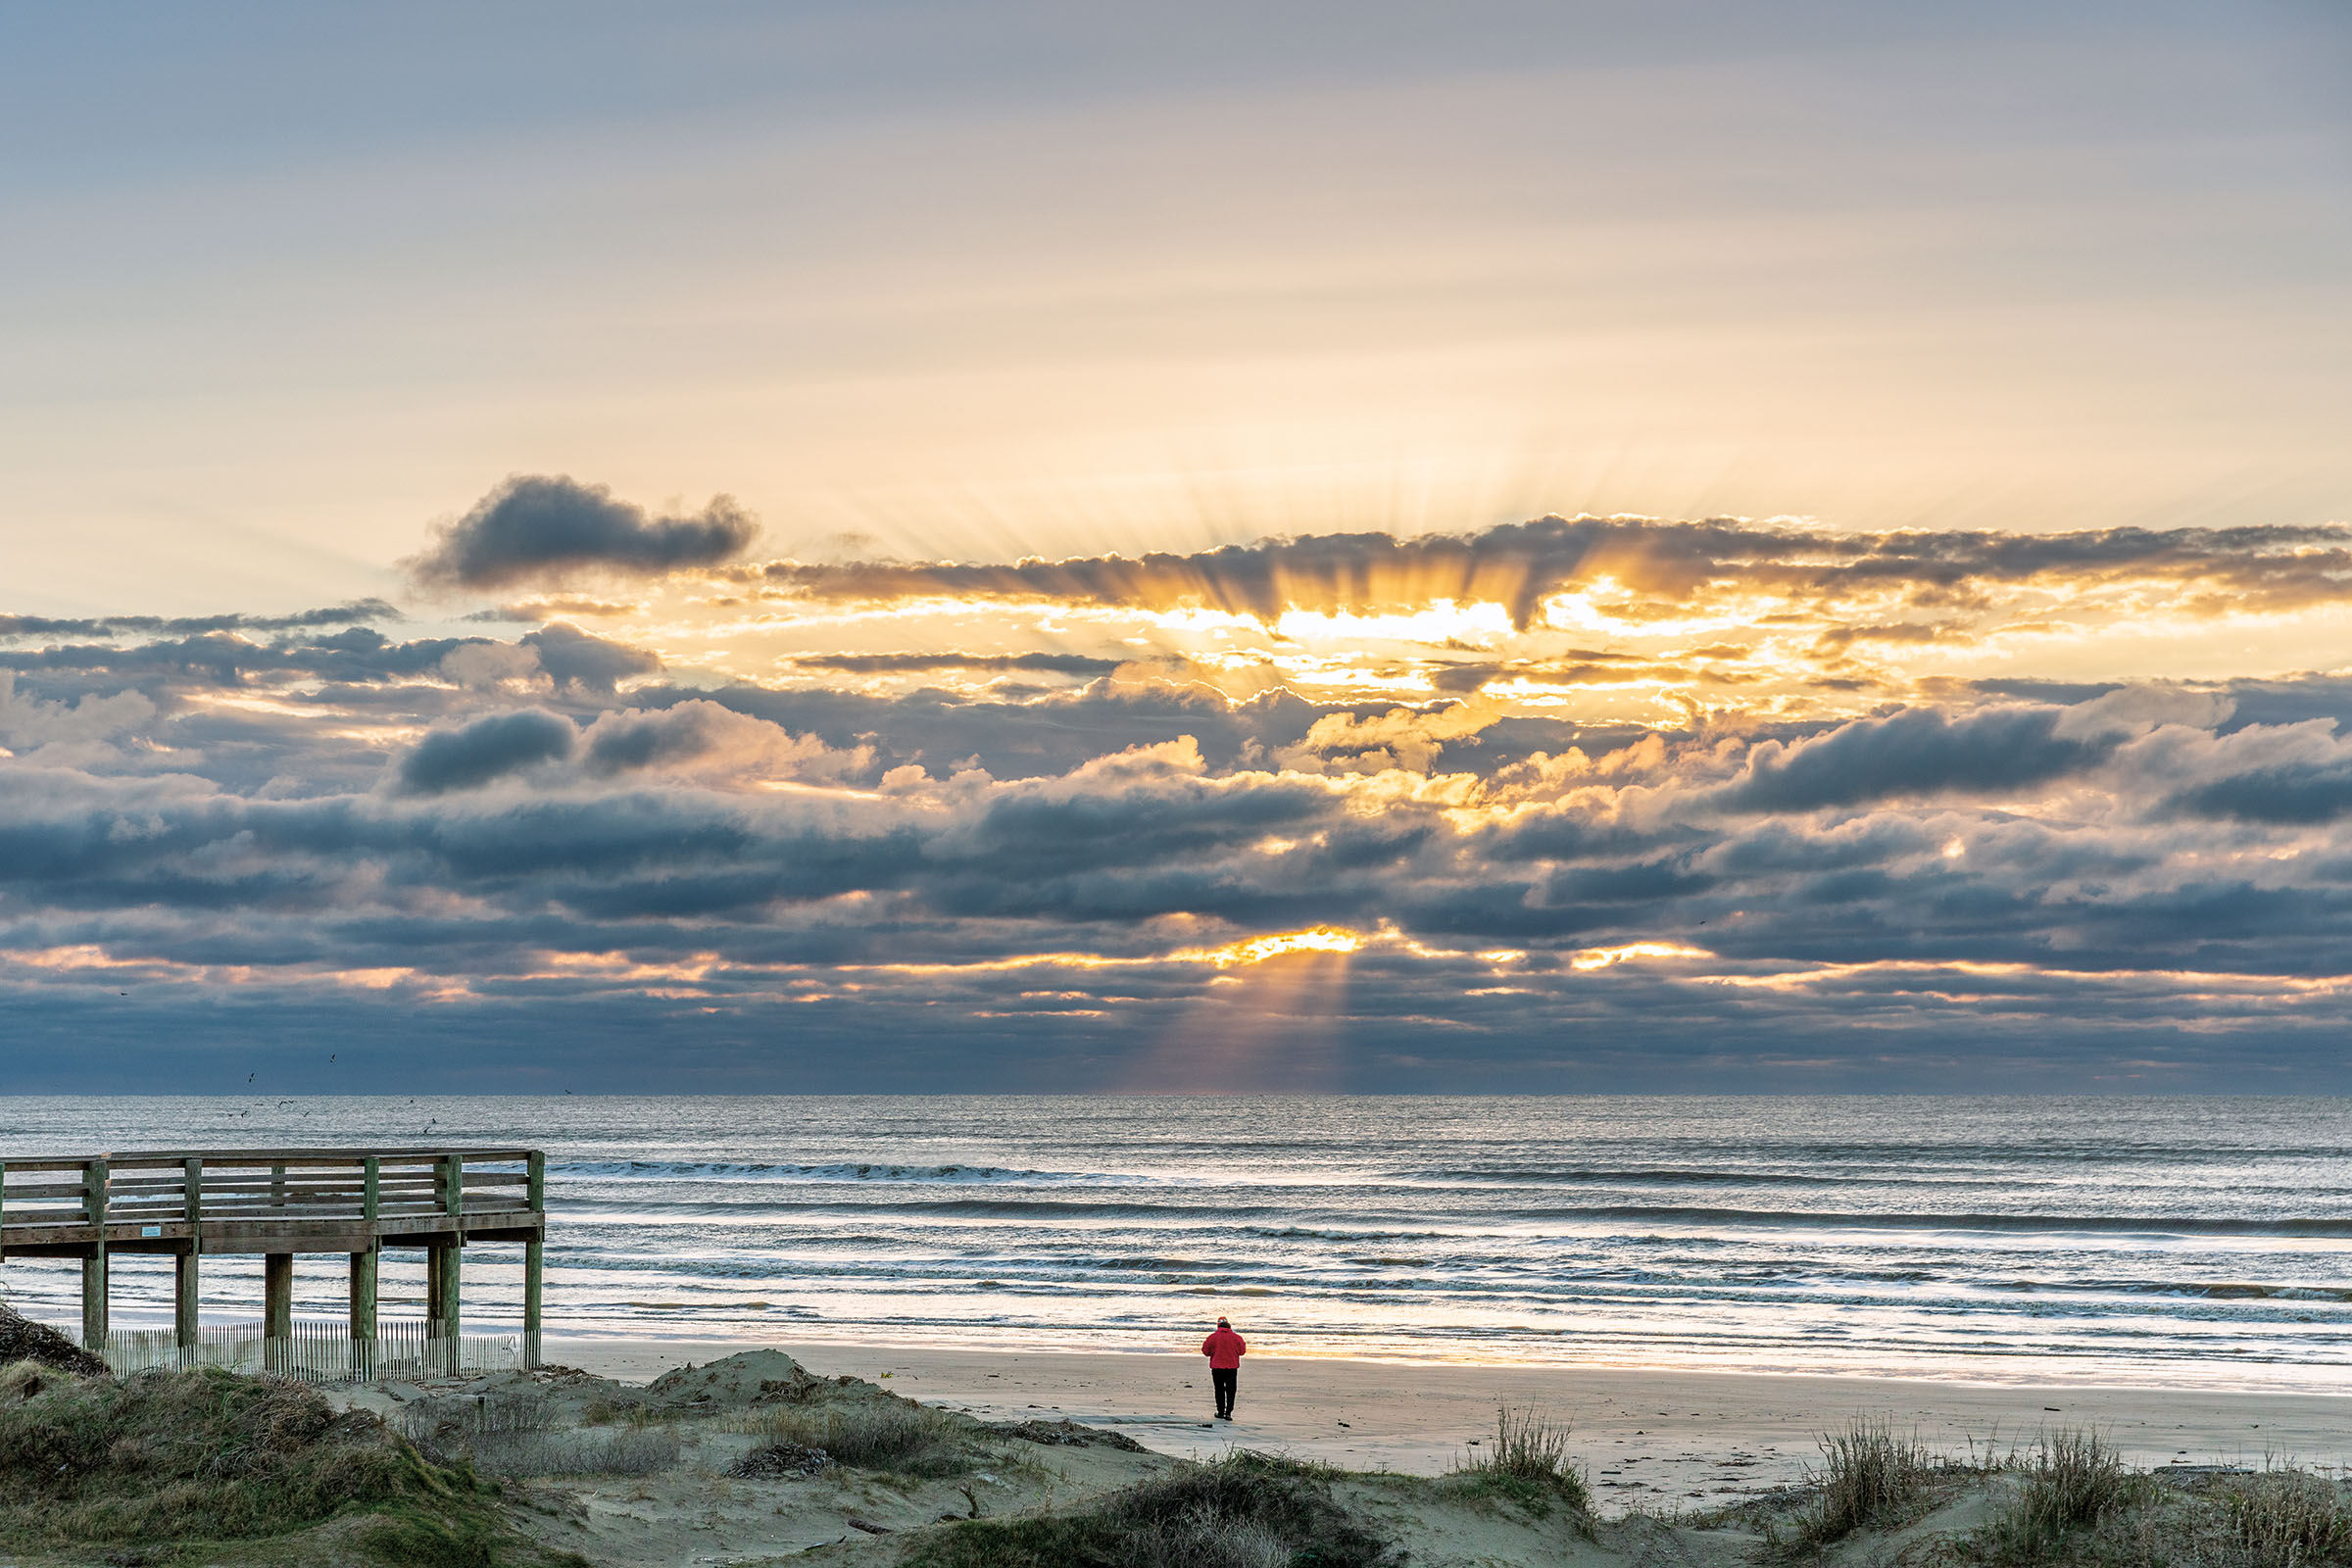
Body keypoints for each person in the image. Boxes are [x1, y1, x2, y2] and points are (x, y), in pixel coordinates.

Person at [1200, 1315, 1247, 1420]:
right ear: (1229, 1326)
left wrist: (1214, 1352)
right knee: (1231, 1390)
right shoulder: (1237, 1338)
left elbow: (1205, 1351)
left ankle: (1221, 1411)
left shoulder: (1212, 1337)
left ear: (1218, 1325)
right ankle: (1228, 1412)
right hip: (1232, 1367)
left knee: (1219, 1389)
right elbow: (1242, 1352)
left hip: (1217, 1367)